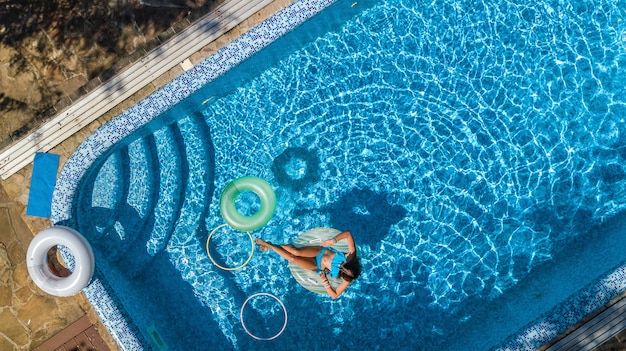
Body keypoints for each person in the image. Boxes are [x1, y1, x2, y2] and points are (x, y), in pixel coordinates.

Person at [255, 230, 362, 299]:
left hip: (317, 265)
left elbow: (334, 295)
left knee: (293, 258)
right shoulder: (351, 256)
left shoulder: (347, 280)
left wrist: (325, 280)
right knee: (295, 252)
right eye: (343, 264)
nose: (340, 266)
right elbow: (348, 234)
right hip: (320, 252)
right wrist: (332, 241)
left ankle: (269, 245)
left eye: (341, 270)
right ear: (350, 263)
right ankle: (271, 245)